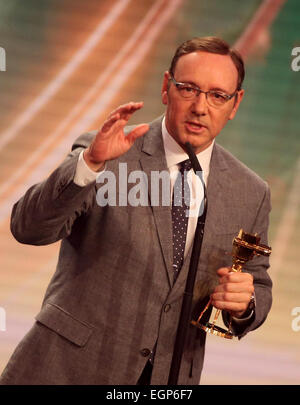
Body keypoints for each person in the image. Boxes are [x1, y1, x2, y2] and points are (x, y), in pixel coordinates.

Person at [0, 36, 272, 385]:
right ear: (165, 87)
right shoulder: (107, 153)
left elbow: (258, 282)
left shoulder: (250, 192)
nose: (200, 107)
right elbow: (28, 228)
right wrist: (90, 164)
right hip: (64, 370)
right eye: (188, 89)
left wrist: (246, 303)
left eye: (218, 95)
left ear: (235, 104)